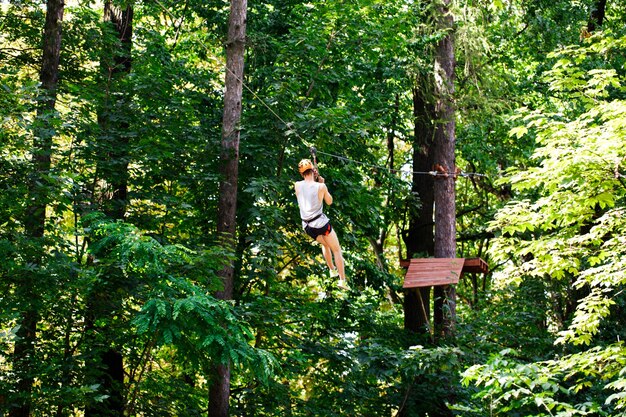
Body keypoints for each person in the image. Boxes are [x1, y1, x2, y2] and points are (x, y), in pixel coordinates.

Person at [294, 159, 347, 290]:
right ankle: (342, 280)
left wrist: (315, 180)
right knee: (336, 249)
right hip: (321, 224)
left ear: (301, 174)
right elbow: (329, 202)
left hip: (307, 227)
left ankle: (332, 270)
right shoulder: (320, 186)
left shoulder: (297, 185)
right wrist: (323, 185)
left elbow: (307, 189)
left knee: (325, 244)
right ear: (313, 170)